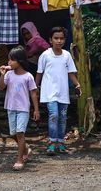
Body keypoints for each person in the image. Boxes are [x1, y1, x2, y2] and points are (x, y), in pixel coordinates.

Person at [35, 26, 81, 155]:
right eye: (56, 38)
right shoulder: (45, 55)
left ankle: (60, 142)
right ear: (50, 40)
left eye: (61, 38)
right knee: (54, 115)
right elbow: (39, 72)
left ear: (64, 40)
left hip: (63, 92)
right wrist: (35, 88)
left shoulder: (66, 55)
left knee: (62, 118)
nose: (59, 41)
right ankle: (51, 143)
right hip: (49, 92)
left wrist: (77, 85)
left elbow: (71, 73)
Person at [0, 46, 40, 170]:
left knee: (20, 133)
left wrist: (36, 109)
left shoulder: (28, 76)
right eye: (8, 60)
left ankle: (19, 159)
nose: (9, 63)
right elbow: (0, 87)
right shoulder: (9, 75)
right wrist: (2, 75)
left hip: (23, 109)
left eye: (12, 60)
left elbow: (33, 93)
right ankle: (26, 149)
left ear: (20, 61)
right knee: (13, 133)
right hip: (11, 108)